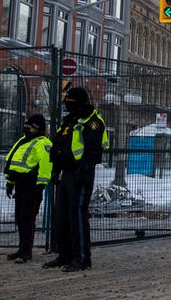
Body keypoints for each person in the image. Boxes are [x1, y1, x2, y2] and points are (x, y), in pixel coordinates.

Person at [43, 87, 108, 272]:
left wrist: (84, 170)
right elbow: (59, 146)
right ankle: (65, 255)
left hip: (81, 174)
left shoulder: (92, 121)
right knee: (61, 215)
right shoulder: (70, 120)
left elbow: (93, 150)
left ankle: (82, 258)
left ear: (80, 101)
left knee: (77, 216)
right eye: (66, 99)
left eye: (70, 99)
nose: (67, 102)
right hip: (66, 173)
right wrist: (56, 169)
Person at [3, 114, 53, 263]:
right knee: (20, 218)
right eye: (26, 125)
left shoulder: (43, 143)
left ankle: (26, 252)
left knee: (27, 218)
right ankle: (21, 249)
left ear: (37, 128)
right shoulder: (24, 140)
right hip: (20, 185)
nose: (26, 128)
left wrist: (41, 185)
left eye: (29, 126)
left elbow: (46, 165)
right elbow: (13, 163)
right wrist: (10, 181)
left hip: (32, 186)